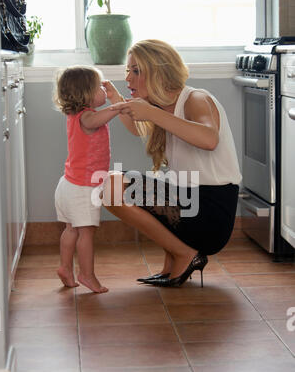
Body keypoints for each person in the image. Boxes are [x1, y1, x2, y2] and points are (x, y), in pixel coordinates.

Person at [102, 39, 242, 287]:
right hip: (190, 201)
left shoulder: (196, 99)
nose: (129, 78)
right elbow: (138, 127)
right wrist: (116, 98)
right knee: (111, 187)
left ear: (158, 72)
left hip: (211, 212)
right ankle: (176, 257)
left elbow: (209, 139)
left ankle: (184, 254)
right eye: (128, 71)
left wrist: (152, 113)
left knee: (115, 185)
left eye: (136, 71)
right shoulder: (164, 108)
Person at [54, 66, 119, 293]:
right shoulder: (88, 116)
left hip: (68, 183)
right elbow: (97, 120)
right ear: (87, 94)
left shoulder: (74, 115)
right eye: (99, 86)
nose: (104, 89)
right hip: (82, 188)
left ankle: (65, 267)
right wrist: (118, 105)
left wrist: (111, 98)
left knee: (71, 229)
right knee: (86, 232)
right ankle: (87, 274)